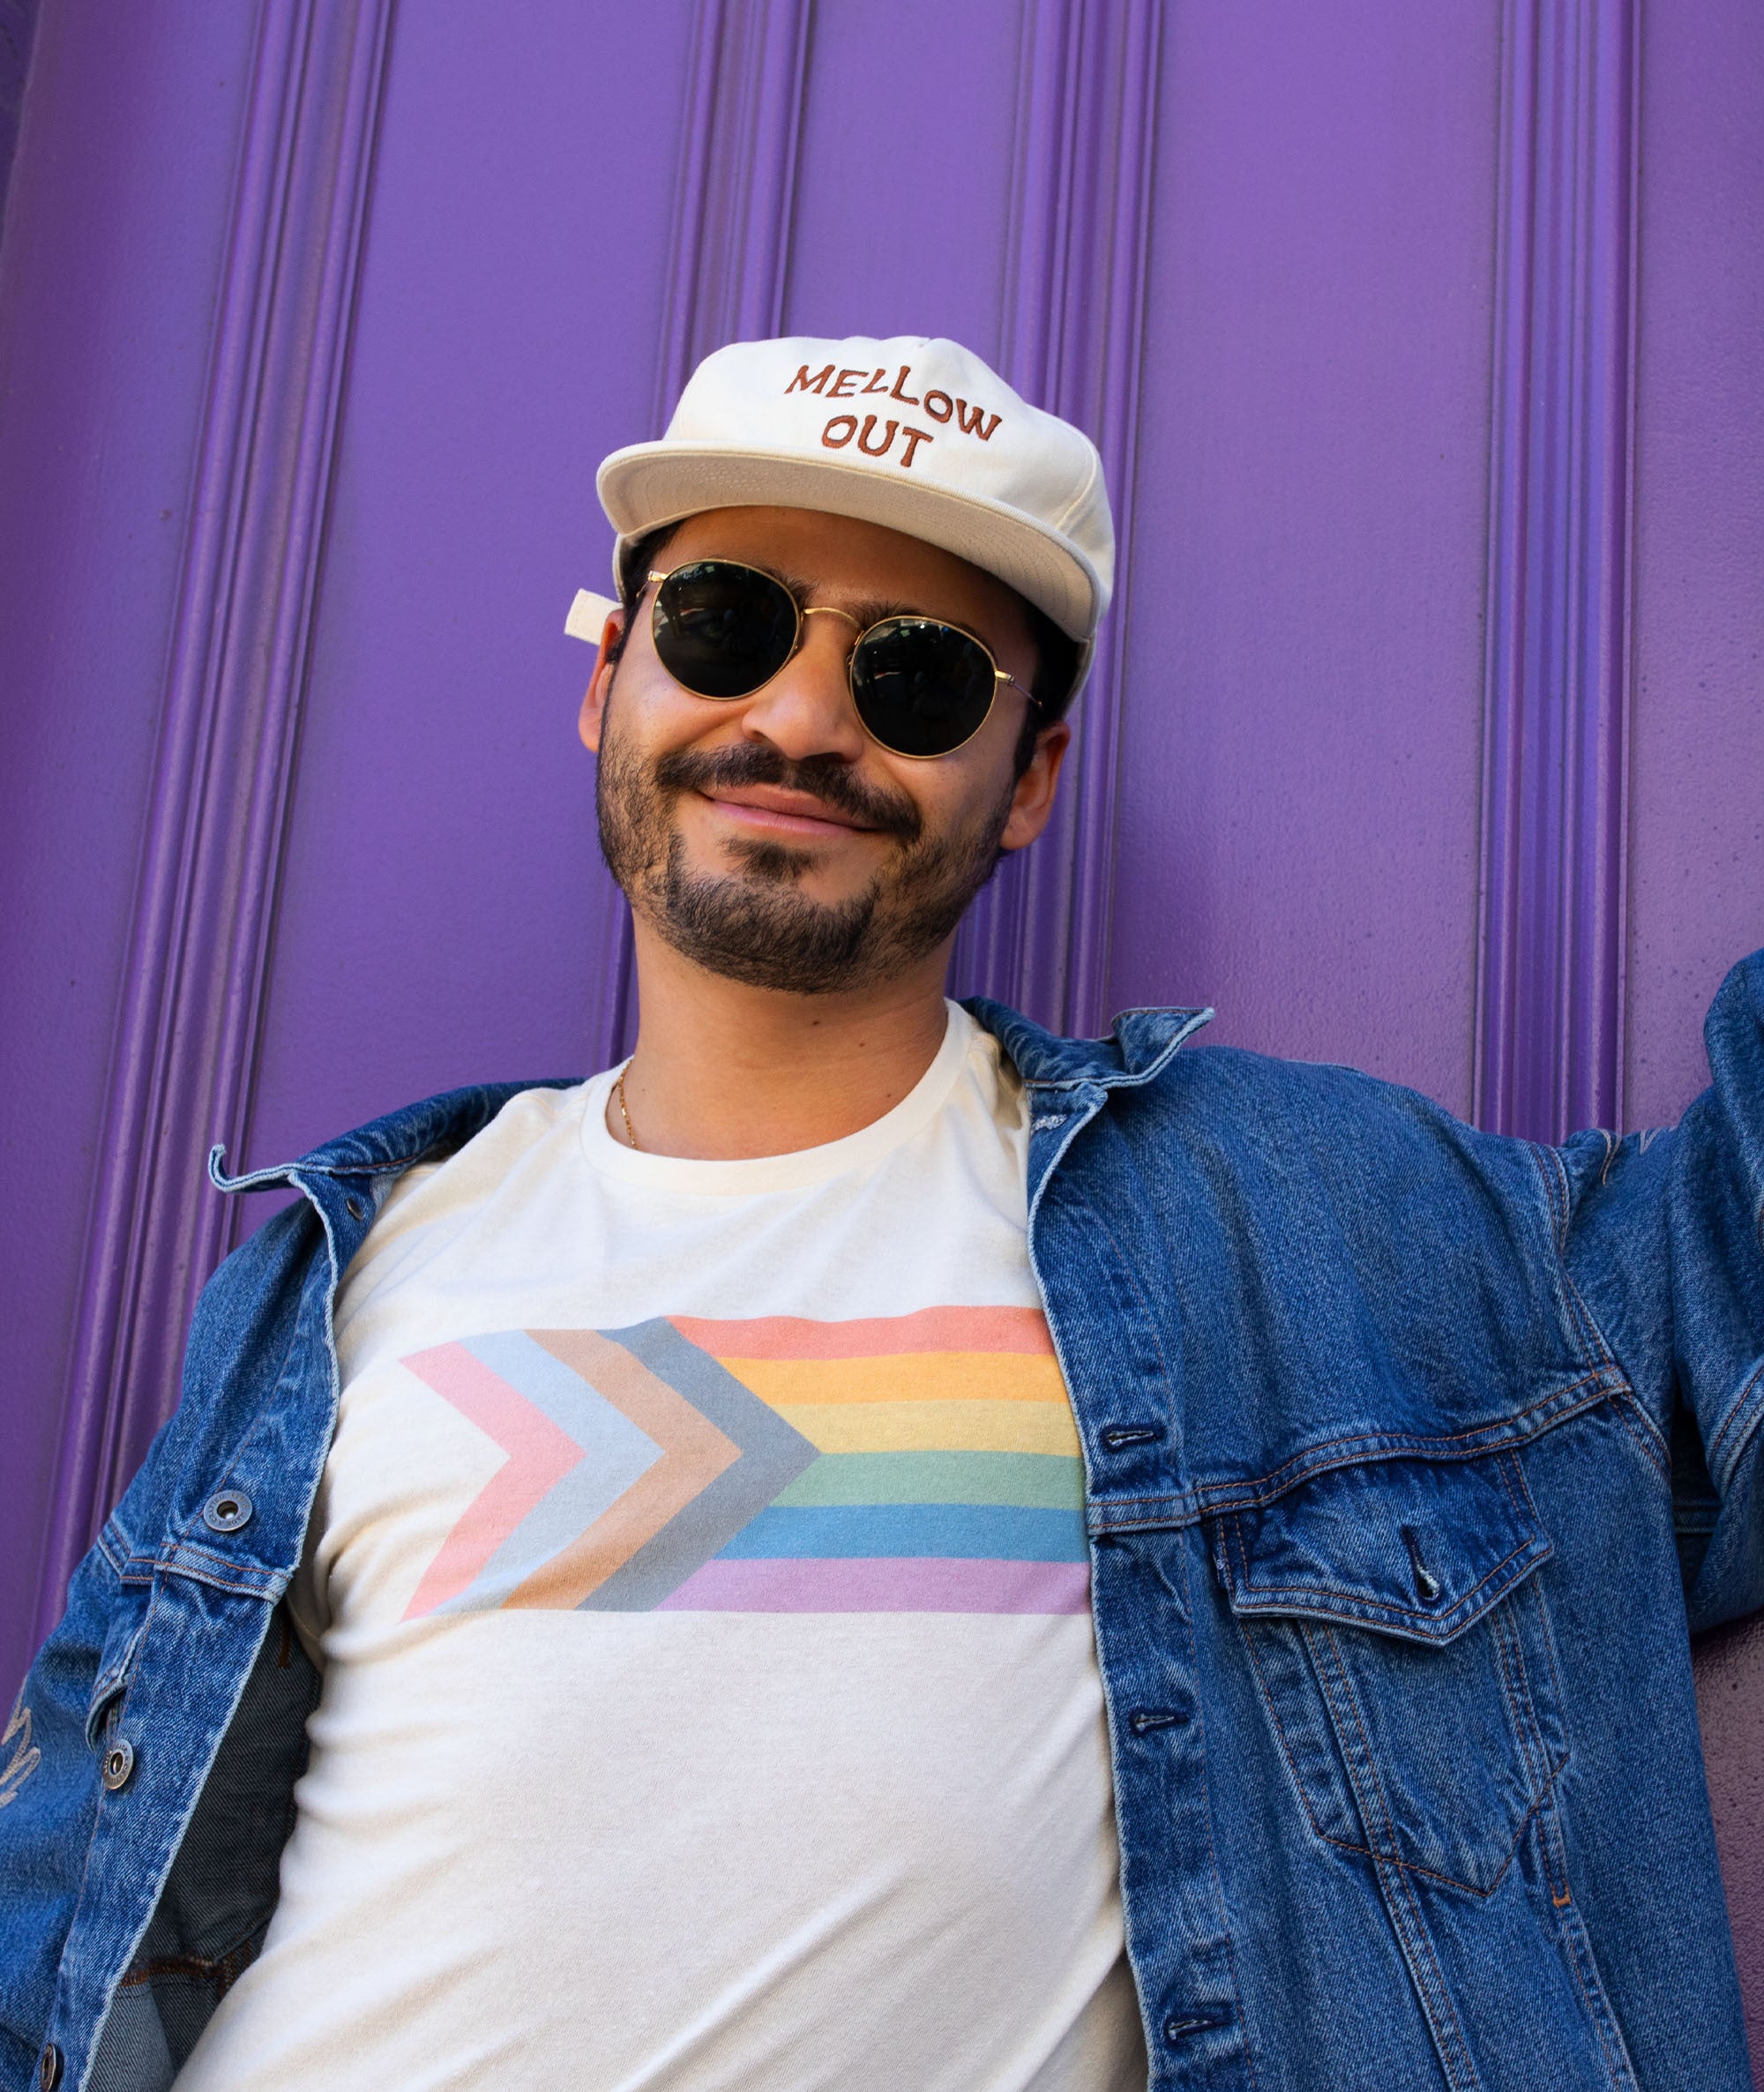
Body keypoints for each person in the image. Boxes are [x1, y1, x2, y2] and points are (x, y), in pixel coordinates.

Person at [2, 332, 1759, 2092]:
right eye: (725, 623)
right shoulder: (335, 1280)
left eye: (917, 674)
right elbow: (62, 1907)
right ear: (610, 674)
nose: (797, 719)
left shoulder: (1312, 1237)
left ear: (1032, 775)